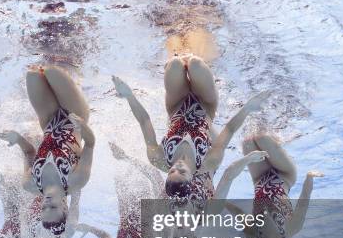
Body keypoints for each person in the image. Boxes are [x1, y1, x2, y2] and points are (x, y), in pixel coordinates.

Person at [112, 54, 270, 210]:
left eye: (172, 170)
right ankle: (200, 65)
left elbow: (144, 121)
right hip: (205, 104)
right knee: (195, 64)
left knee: (174, 65)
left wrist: (129, 96)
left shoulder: (158, 158)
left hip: (176, 104)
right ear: (191, 179)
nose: (177, 166)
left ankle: (179, 62)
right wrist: (248, 108)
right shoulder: (209, 161)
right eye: (181, 171)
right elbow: (229, 129)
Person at [0, 65, 95, 237]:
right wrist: (82, 124)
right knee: (52, 70)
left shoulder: (29, 184)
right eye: (53, 207)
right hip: (75, 115)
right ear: (65, 206)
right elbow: (90, 144)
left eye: (44, 208)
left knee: (33, 73)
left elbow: (29, 153)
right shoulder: (77, 180)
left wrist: (18, 139)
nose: (46, 203)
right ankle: (80, 68)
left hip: (48, 121)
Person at [222, 134, 324, 238]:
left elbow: (238, 213)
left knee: (247, 141)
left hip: (259, 178)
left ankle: (274, 139)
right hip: (284, 174)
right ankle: (284, 137)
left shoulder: (253, 233)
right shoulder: (293, 228)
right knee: (261, 137)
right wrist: (309, 176)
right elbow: (303, 200)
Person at [79, 148, 169, 238]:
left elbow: (105, 237)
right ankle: (128, 155)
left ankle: (124, 149)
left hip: (125, 202)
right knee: (152, 173)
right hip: (146, 200)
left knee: (119, 171)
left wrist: (89, 228)